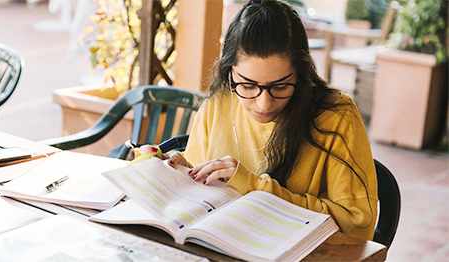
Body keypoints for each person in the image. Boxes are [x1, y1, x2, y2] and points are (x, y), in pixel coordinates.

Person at [139, 0, 378, 241]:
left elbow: (357, 226)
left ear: (302, 74)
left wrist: (255, 187)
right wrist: (178, 172)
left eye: (281, 86)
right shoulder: (219, 103)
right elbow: (198, 190)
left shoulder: (336, 116)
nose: (263, 103)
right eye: (247, 85)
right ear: (229, 72)